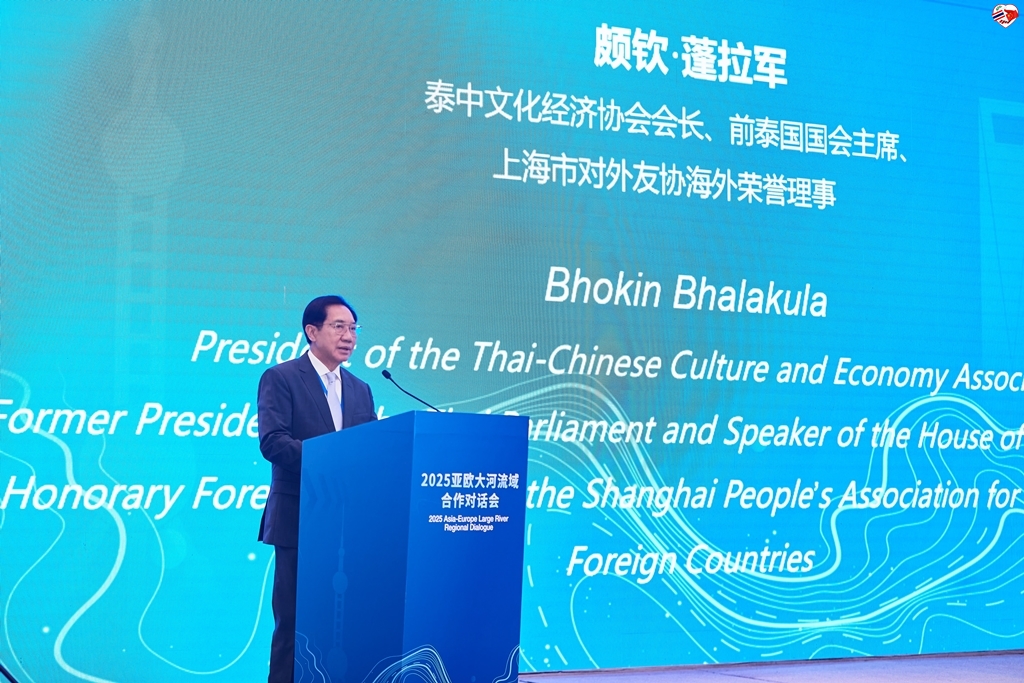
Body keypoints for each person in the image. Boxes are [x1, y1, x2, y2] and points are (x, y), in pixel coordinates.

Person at [256, 295, 378, 683]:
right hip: (299, 519)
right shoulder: (282, 378)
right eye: (339, 327)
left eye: (353, 328)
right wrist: (332, 460)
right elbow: (273, 442)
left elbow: (371, 450)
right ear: (312, 331)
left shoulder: (361, 389)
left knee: (343, 627)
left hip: (348, 526)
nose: (349, 336)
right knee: (294, 626)